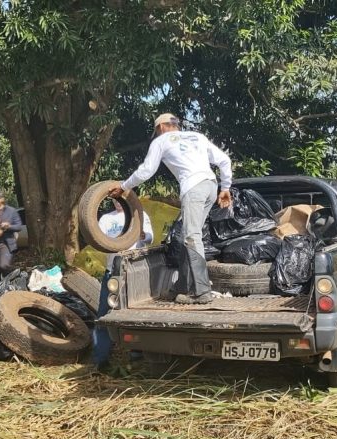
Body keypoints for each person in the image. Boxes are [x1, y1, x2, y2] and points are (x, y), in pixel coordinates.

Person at [108, 113, 233, 304]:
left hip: (193, 188)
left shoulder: (161, 141)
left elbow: (146, 171)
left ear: (160, 127)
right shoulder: (198, 137)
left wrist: (124, 186)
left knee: (191, 236)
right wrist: (225, 188)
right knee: (186, 236)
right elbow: (224, 160)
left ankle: (201, 291)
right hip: (210, 186)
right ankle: (182, 287)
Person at [93, 198, 154, 367]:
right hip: (112, 272)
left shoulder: (139, 216)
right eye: (115, 200)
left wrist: (144, 235)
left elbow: (150, 238)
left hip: (134, 272)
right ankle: (100, 359)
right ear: (112, 201)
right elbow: (99, 241)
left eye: (121, 199)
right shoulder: (106, 219)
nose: (118, 203)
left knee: (136, 313)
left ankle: (138, 355)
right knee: (105, 315)